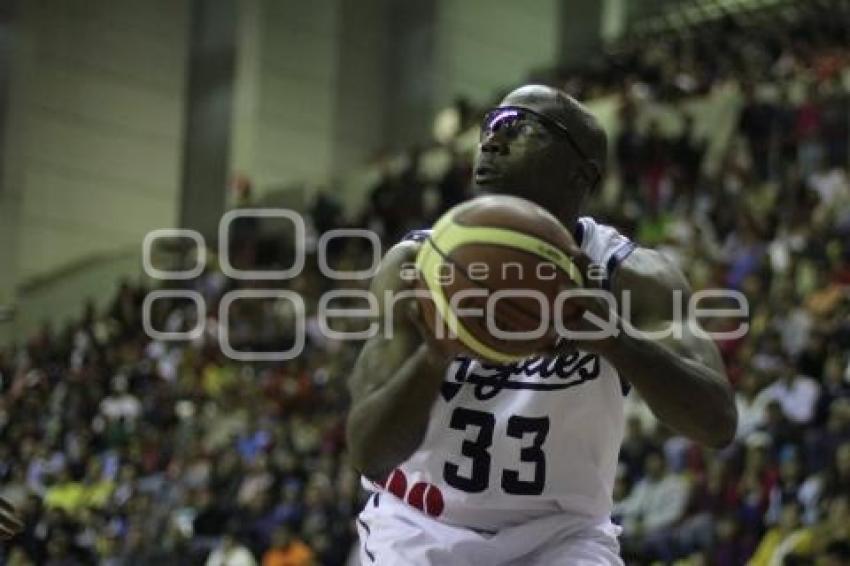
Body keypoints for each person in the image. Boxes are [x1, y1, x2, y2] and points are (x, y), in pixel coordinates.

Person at [346, 84, 737, 565]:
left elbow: (717, 423)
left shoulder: (633, 278)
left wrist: (614, 340)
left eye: (517, 127)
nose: (491, 140)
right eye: (490, 124)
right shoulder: (414, 267)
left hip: (562, 537)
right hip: (422, 526)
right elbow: (368, 451)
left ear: (582, 173)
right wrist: (434, 357)